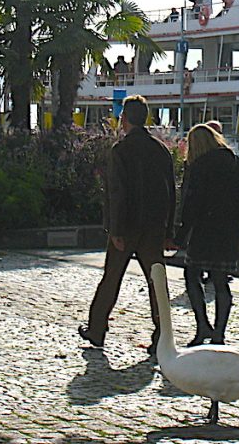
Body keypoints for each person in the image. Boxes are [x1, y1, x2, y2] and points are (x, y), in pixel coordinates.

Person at [79, 95, 176, 357]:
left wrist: (115, 230)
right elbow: (170, 192)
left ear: (124, 119)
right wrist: (170, 232)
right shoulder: (160, 150)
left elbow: (117, 193)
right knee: (157, 283)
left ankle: (97, 328)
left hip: (128, 226)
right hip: (154, 226)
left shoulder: (120, 151)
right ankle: (163, 335)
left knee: (111, 278)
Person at [175, 123, 239, 346]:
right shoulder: (233, 162)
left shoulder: (198, 167)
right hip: (228, 230)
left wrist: (180, 235)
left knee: (192, 277)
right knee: (220, 282)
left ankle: (202, 326)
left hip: (204, 231)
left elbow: (191, 204)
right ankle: (219, 333)